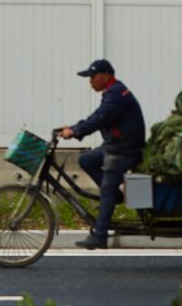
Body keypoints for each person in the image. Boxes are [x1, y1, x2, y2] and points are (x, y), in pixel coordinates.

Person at [58, 59, 146, 249]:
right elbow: (97, 117)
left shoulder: (116, 94)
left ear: (105, 76)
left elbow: (100, 119)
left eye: (93, 77)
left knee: (107, 187)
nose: (90, 82)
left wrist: (74, 131)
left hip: (125, 149)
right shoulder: (112, 92)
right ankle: (115, 196)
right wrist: (74, 128)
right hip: (117, 145)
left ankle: (100, 235)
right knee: (86, 160)